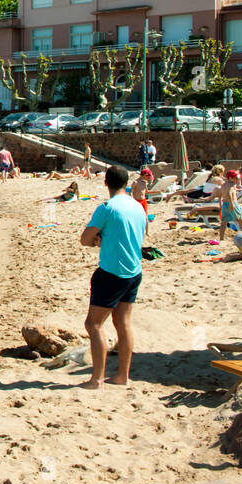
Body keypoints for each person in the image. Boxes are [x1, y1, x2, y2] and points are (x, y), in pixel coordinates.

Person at [79, 164, 146, 388]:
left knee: (94, 324)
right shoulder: (138, 207)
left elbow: (85, 239)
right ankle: (122, 376)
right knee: (123, 322)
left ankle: (96, 378)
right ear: (127, 183)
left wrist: (98, 240)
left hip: (111, 272)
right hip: (134, 271)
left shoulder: (107, 207)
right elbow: (137, 234)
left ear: (106, 183)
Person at [132, 168, 152, 237]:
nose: (148, 178)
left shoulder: (145, 183)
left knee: (145, 217)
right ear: (144, 175)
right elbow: (131, 192)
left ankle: (147, 232)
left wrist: (157, 192)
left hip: (143, 201)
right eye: (148, 176)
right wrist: (132, 200)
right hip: (137, 201)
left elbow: (147, 192)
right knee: (136, 217)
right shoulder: (136, 182)